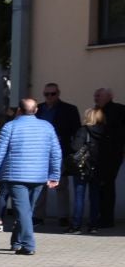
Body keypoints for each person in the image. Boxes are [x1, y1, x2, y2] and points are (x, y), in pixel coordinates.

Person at [0, 97, 62, 257]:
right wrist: (54, 174)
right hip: (39, 176)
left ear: (19, 110)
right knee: (26, 211)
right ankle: (17, 241)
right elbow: (56, 153)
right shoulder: (47, 127)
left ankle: (28, 244)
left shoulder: (10, 126)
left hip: (15, 175)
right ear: (36, 110)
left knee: (23, 211)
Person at [38, 83, 81, 226]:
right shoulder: (38, 110)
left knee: (61, 185)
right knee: (40, 185)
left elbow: (77, 131)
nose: (49, 97)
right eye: (47, 94)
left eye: (52, 94)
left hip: (60, 152)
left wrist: (73, 149)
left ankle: (63, 216)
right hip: (41, 153)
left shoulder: (69, 109)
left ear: (58, 93)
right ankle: (38, 215)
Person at [92, 88, 125, 230]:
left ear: (109, 96)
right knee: (100, 186)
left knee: (107, 185)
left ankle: (107, 218)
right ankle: (100, 216)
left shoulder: (118, 110)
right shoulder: (95, 111)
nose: (96, 97)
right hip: (98, 154)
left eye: (99, 95)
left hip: (112, 154)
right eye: (95, 95)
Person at [69, 107, 105, 234]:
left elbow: (75, 147)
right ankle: (93, 225)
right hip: (98, 168)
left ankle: (76, 225)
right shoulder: (105, 131)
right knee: (94, 197)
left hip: (83, 168)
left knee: (79, 197)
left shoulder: (84, 130)